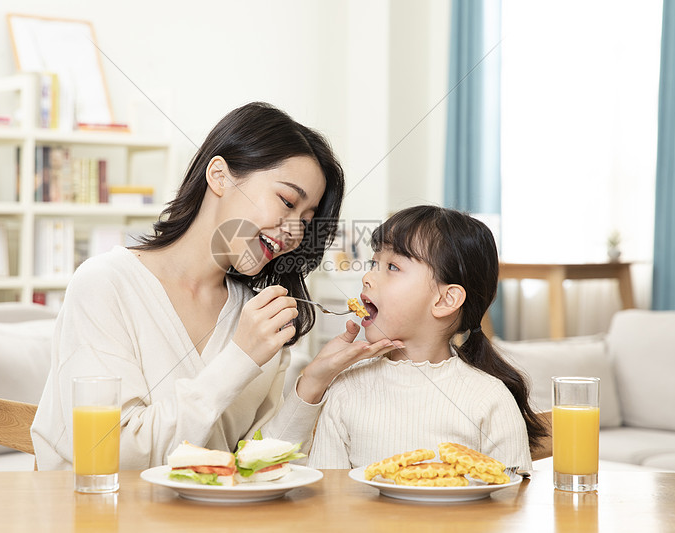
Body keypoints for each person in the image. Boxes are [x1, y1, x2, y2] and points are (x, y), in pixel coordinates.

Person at [31, 102, 401, 470]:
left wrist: (312, 384)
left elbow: (255, 462)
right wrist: (239, 358)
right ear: (220, 176)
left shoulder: (260, 317)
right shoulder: (105, 284)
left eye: (306, 219)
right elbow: (111, 455)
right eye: (287, 201)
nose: (294, 232)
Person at [307, 205, 548, 471]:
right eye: (374, 263)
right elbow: (326, 500)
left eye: (393, 267)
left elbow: (510, 502)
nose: (367, 277)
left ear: (446, 300)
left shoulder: (490, 400)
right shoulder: (345, 390)